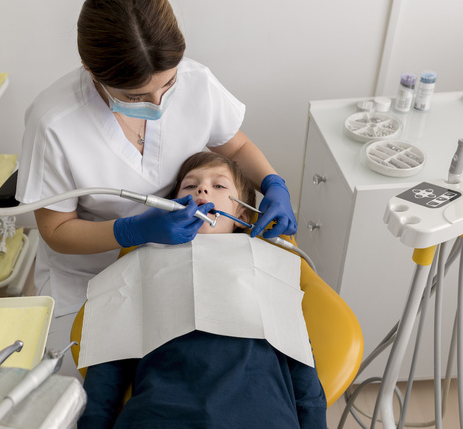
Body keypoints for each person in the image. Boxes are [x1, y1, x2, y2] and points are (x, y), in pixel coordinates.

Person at [15, 0, 297, 378]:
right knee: (87, 388)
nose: (158, 103)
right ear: (90, 69)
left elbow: (234, 146)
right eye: (134, 96)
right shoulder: (54, 122)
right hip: (92, 277)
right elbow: (56, 230)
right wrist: (132, 231)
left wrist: (274, 183)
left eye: (168, 84)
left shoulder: (197, 81)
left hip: (177, 264)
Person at [77, 152, 326, 429]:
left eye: (219, 186)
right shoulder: (142, 259)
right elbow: (109, 359)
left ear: (242, 214)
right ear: (170, 206)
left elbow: (300, 356)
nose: (202, 189)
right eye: (189, 186)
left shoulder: (265, 260)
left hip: (258, 408)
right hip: (159, 411)